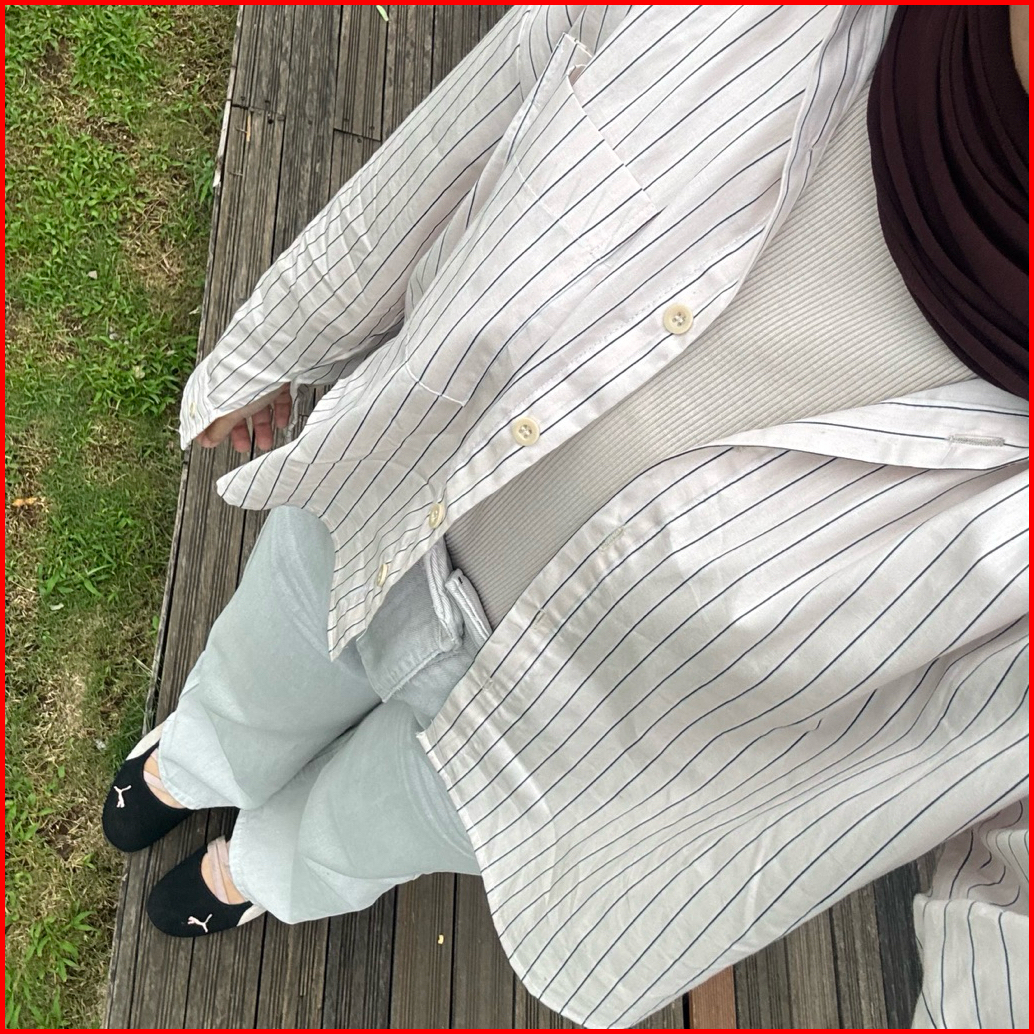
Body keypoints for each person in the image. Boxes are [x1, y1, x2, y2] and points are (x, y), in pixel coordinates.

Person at [103, 5, 1028, 1028]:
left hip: (577, 740)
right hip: (395, 486)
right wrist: (280, 338)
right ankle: (195, 763)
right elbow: (476, 117)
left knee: (367, 832)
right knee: (258, 665)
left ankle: (260, 871)